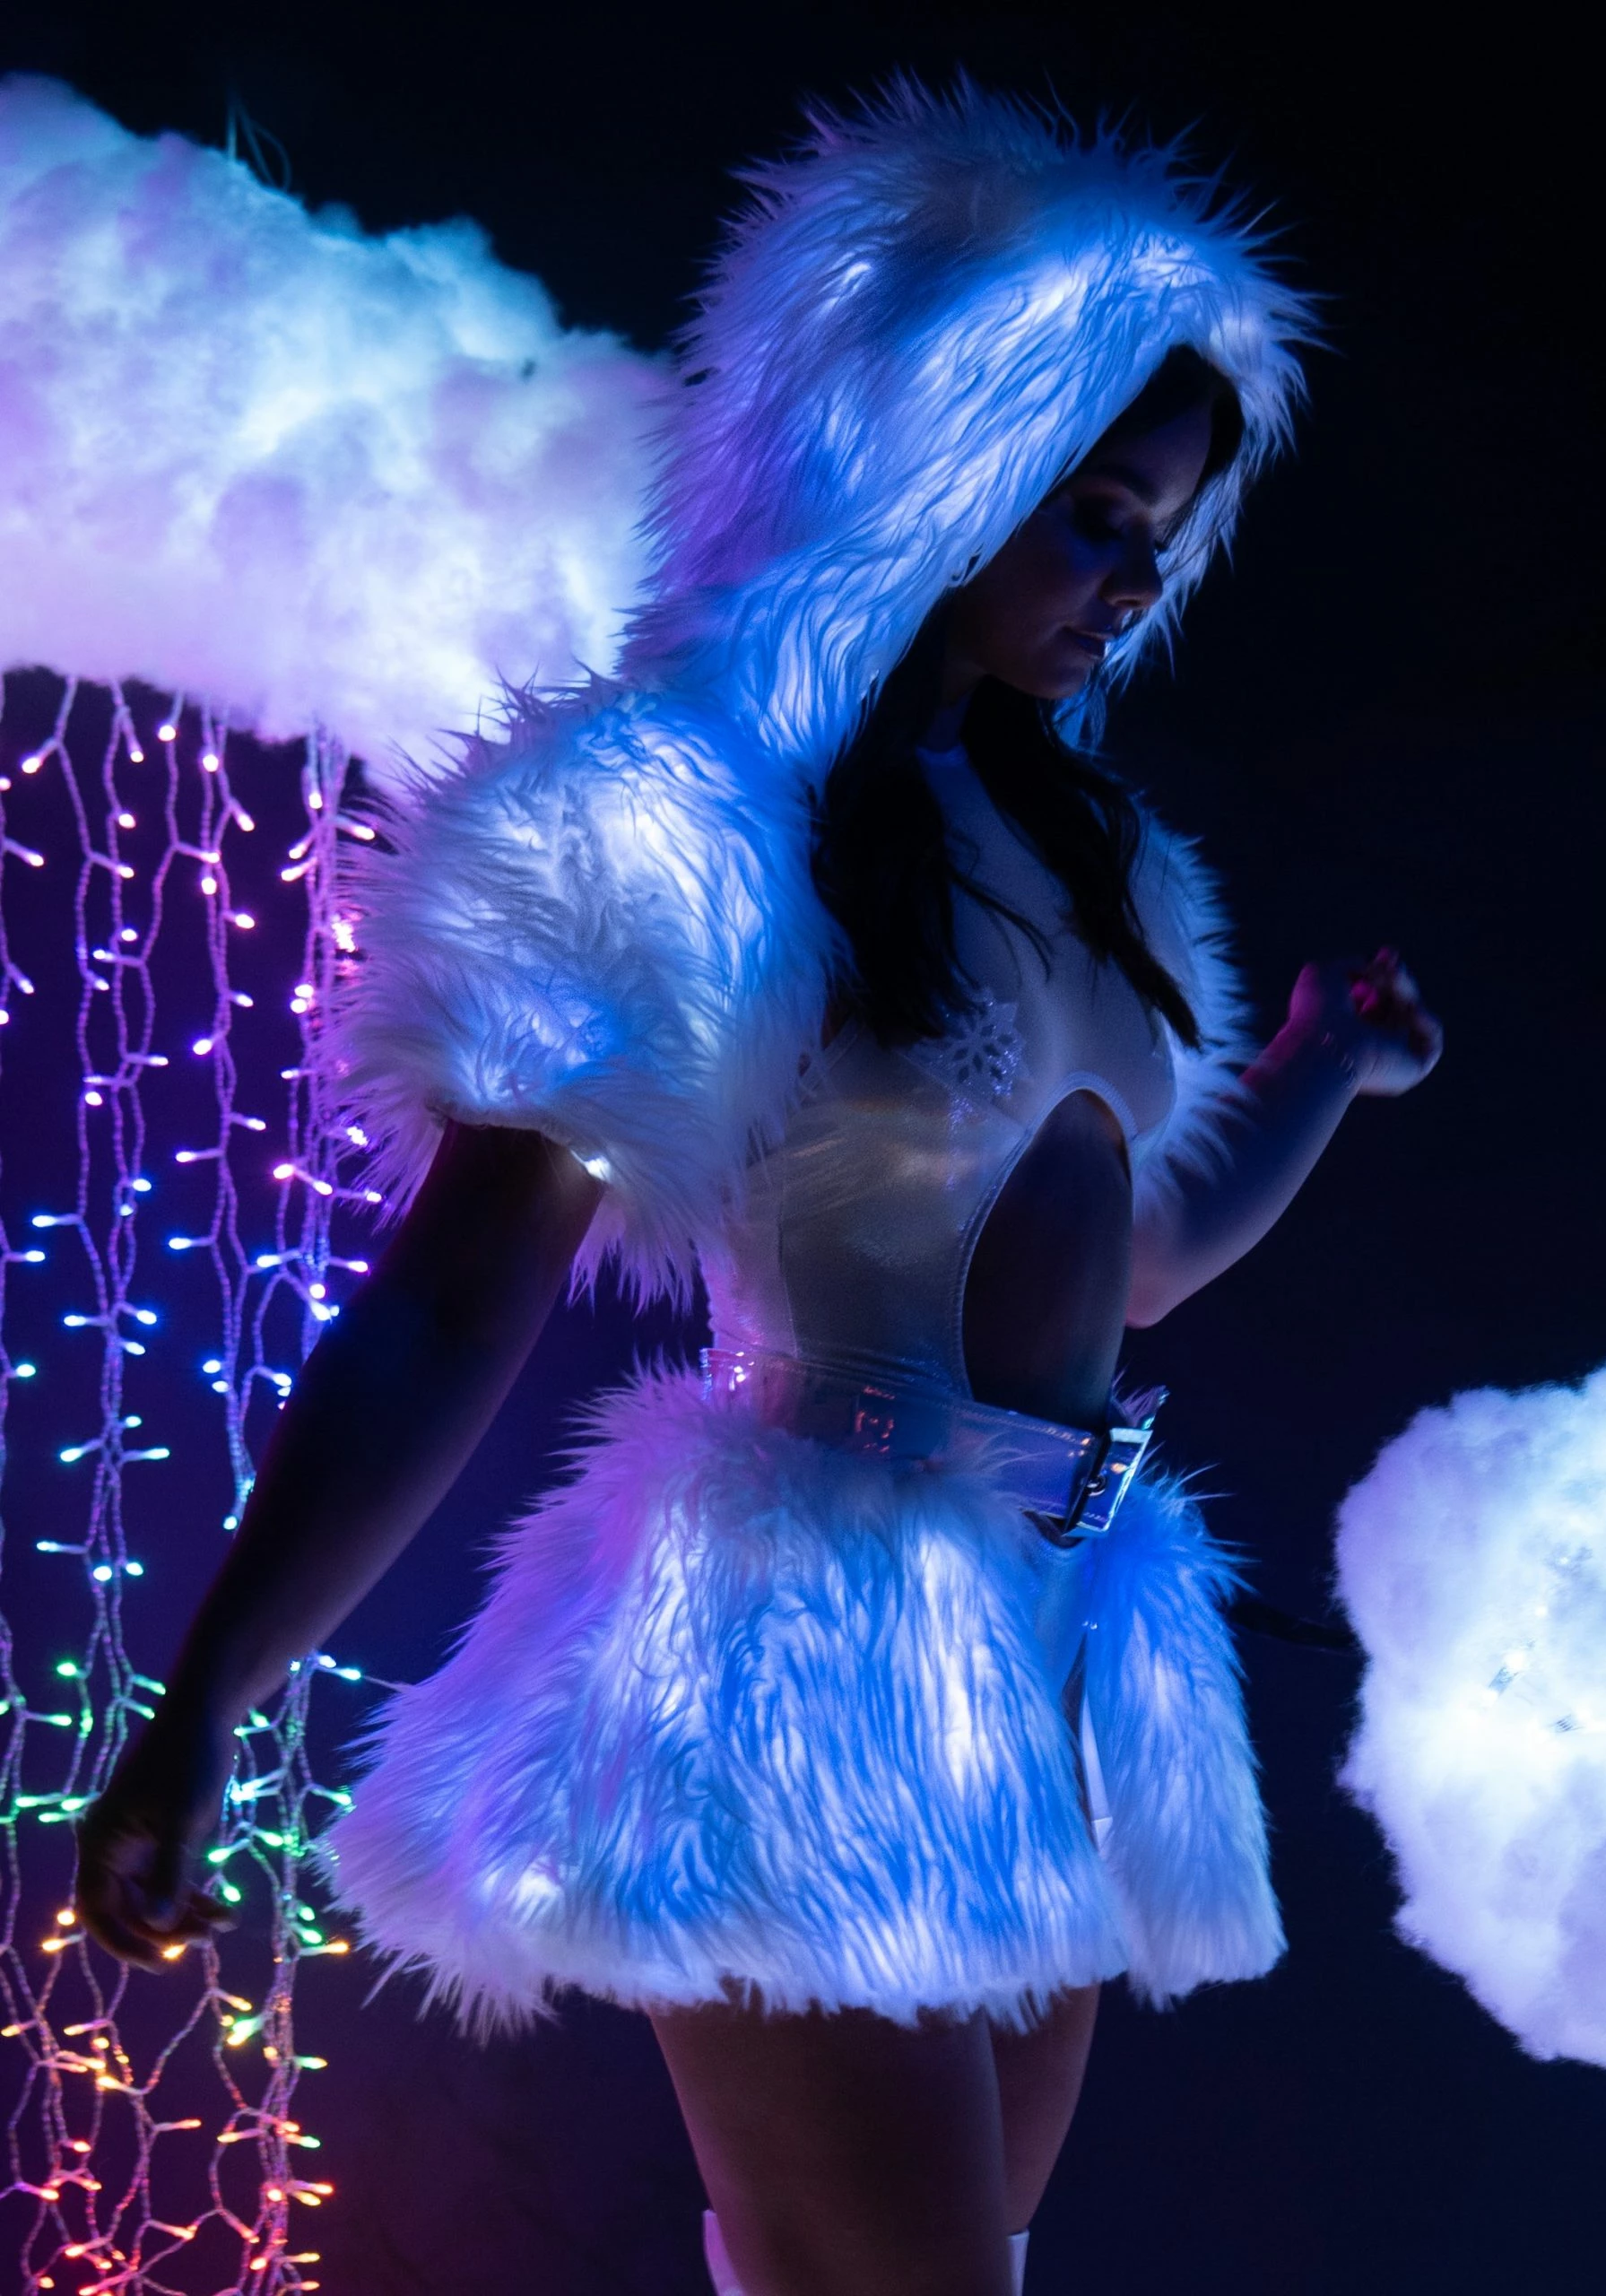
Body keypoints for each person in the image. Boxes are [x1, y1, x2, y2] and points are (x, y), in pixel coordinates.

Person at [75, 83, 1440, 2296]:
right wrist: (203, 1693)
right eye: (1093, 514)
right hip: (803, 1643)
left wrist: (1312, 1073)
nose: (1130, 581)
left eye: (1161, 537)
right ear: (935, 461)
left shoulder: (1095, 855)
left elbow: (1137, 1261)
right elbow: (449, 1301)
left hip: (1050, 1648)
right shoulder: (681, 818)